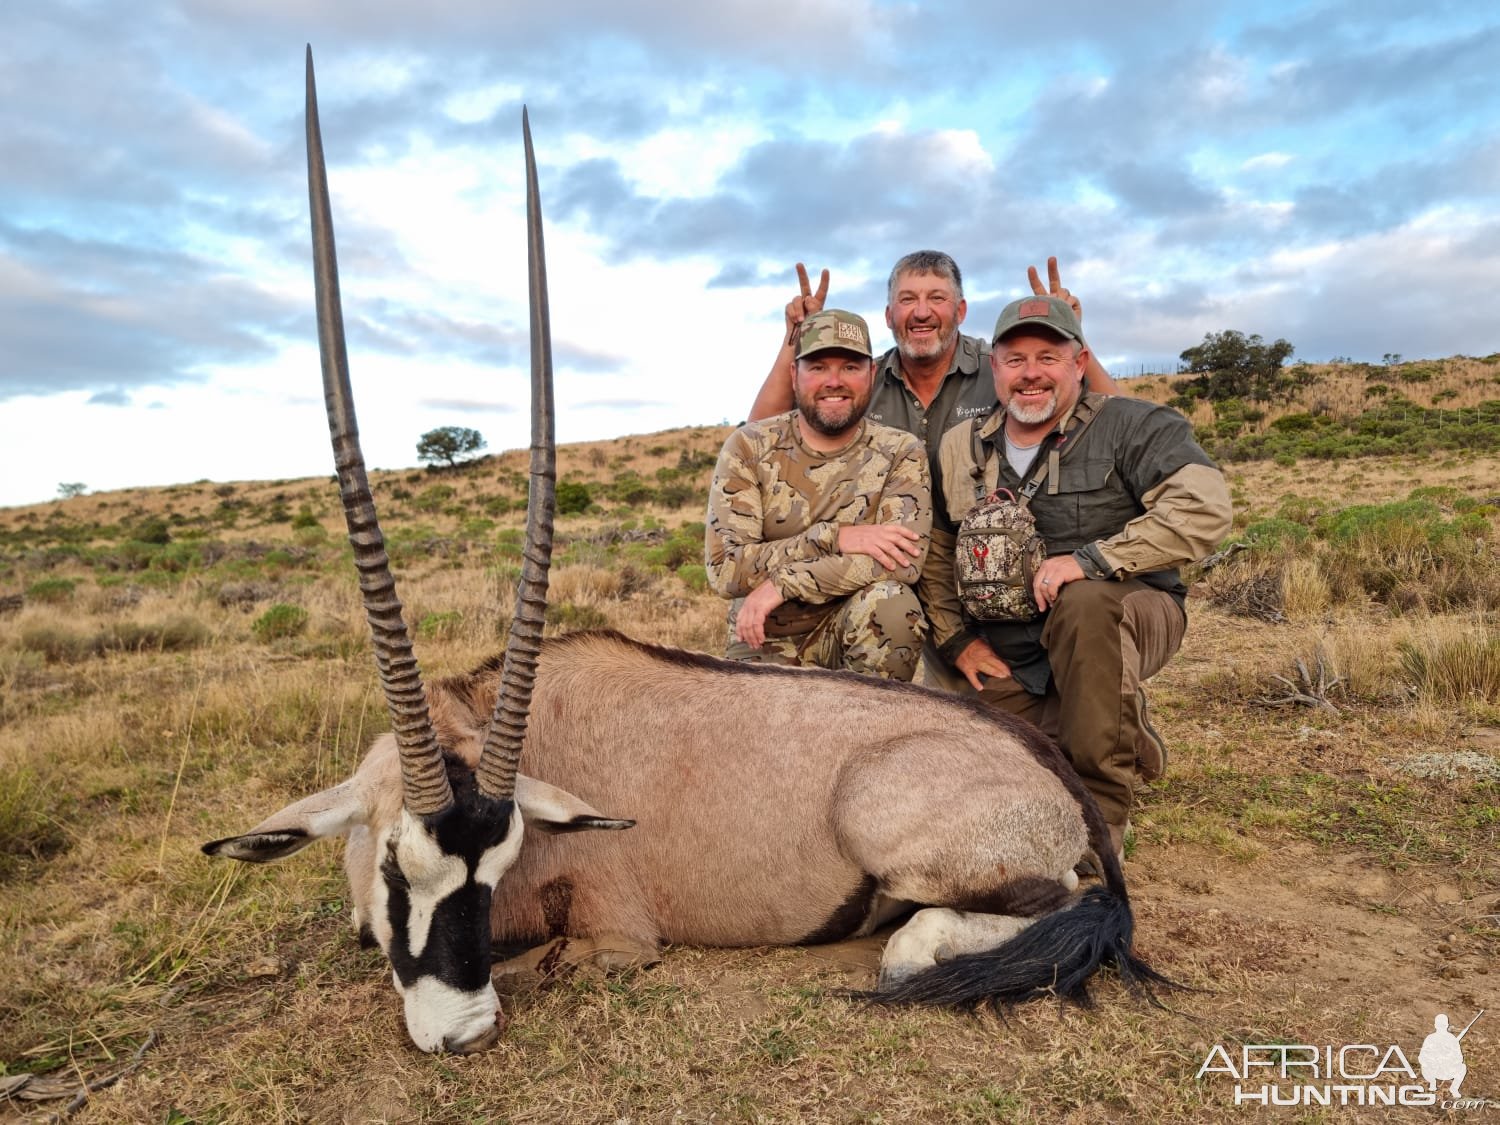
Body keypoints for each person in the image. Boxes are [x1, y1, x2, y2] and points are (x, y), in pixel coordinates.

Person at [920, 294, 1232, 861]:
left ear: (1080, 361)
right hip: (1011, 646)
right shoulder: (958, 446)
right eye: (1015, 360)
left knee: (1085, 605)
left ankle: (1101, 818)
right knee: (956, 754)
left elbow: (1204, 510)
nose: (1031, 373)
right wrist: (956, 640)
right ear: (995, 369)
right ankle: (1116, 721)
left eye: (1048, 356)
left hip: (1124, 613)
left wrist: (1092, 561)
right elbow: (940, 549)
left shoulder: (1137, 424)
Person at [747, 252, 1119, 690]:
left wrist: (1068, 335)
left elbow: (1115, 420)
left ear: (960, 311)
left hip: (986, 567)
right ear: (889, 315)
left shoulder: (1001, 366)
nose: (921, 311)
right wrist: (797, 339)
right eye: (907, 299)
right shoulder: (863, 378)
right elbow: (761, 436)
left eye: (936, 298)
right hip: (878, 571)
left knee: (993, 716)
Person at [707, 310, 931, 681]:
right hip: (763, 633)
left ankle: (870, 733)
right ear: (794, 375)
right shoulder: (749, 446)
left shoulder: (900, 450)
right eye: (818, 367)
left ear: (871, 375)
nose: (834, 381)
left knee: (892, 605)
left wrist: (783, 583)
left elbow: (901, 563)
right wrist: (835, 537)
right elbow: (727, 570)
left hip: (855, 624)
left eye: (850, 367)